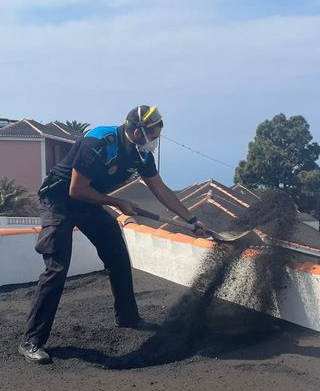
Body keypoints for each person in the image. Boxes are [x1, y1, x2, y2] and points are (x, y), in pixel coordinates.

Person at [19, 105, 207, 364]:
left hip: (89, 202)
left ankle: (128, 317)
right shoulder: (98, 142)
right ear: (137, 131)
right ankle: (32, 341)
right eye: (153, 135)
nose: (155, 141)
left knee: (117, 255)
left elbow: (160, 189)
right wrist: (117, 202)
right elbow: (75, 190)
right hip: (58, 200)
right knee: (58, 266)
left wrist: (191, 219)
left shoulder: (141, 155)